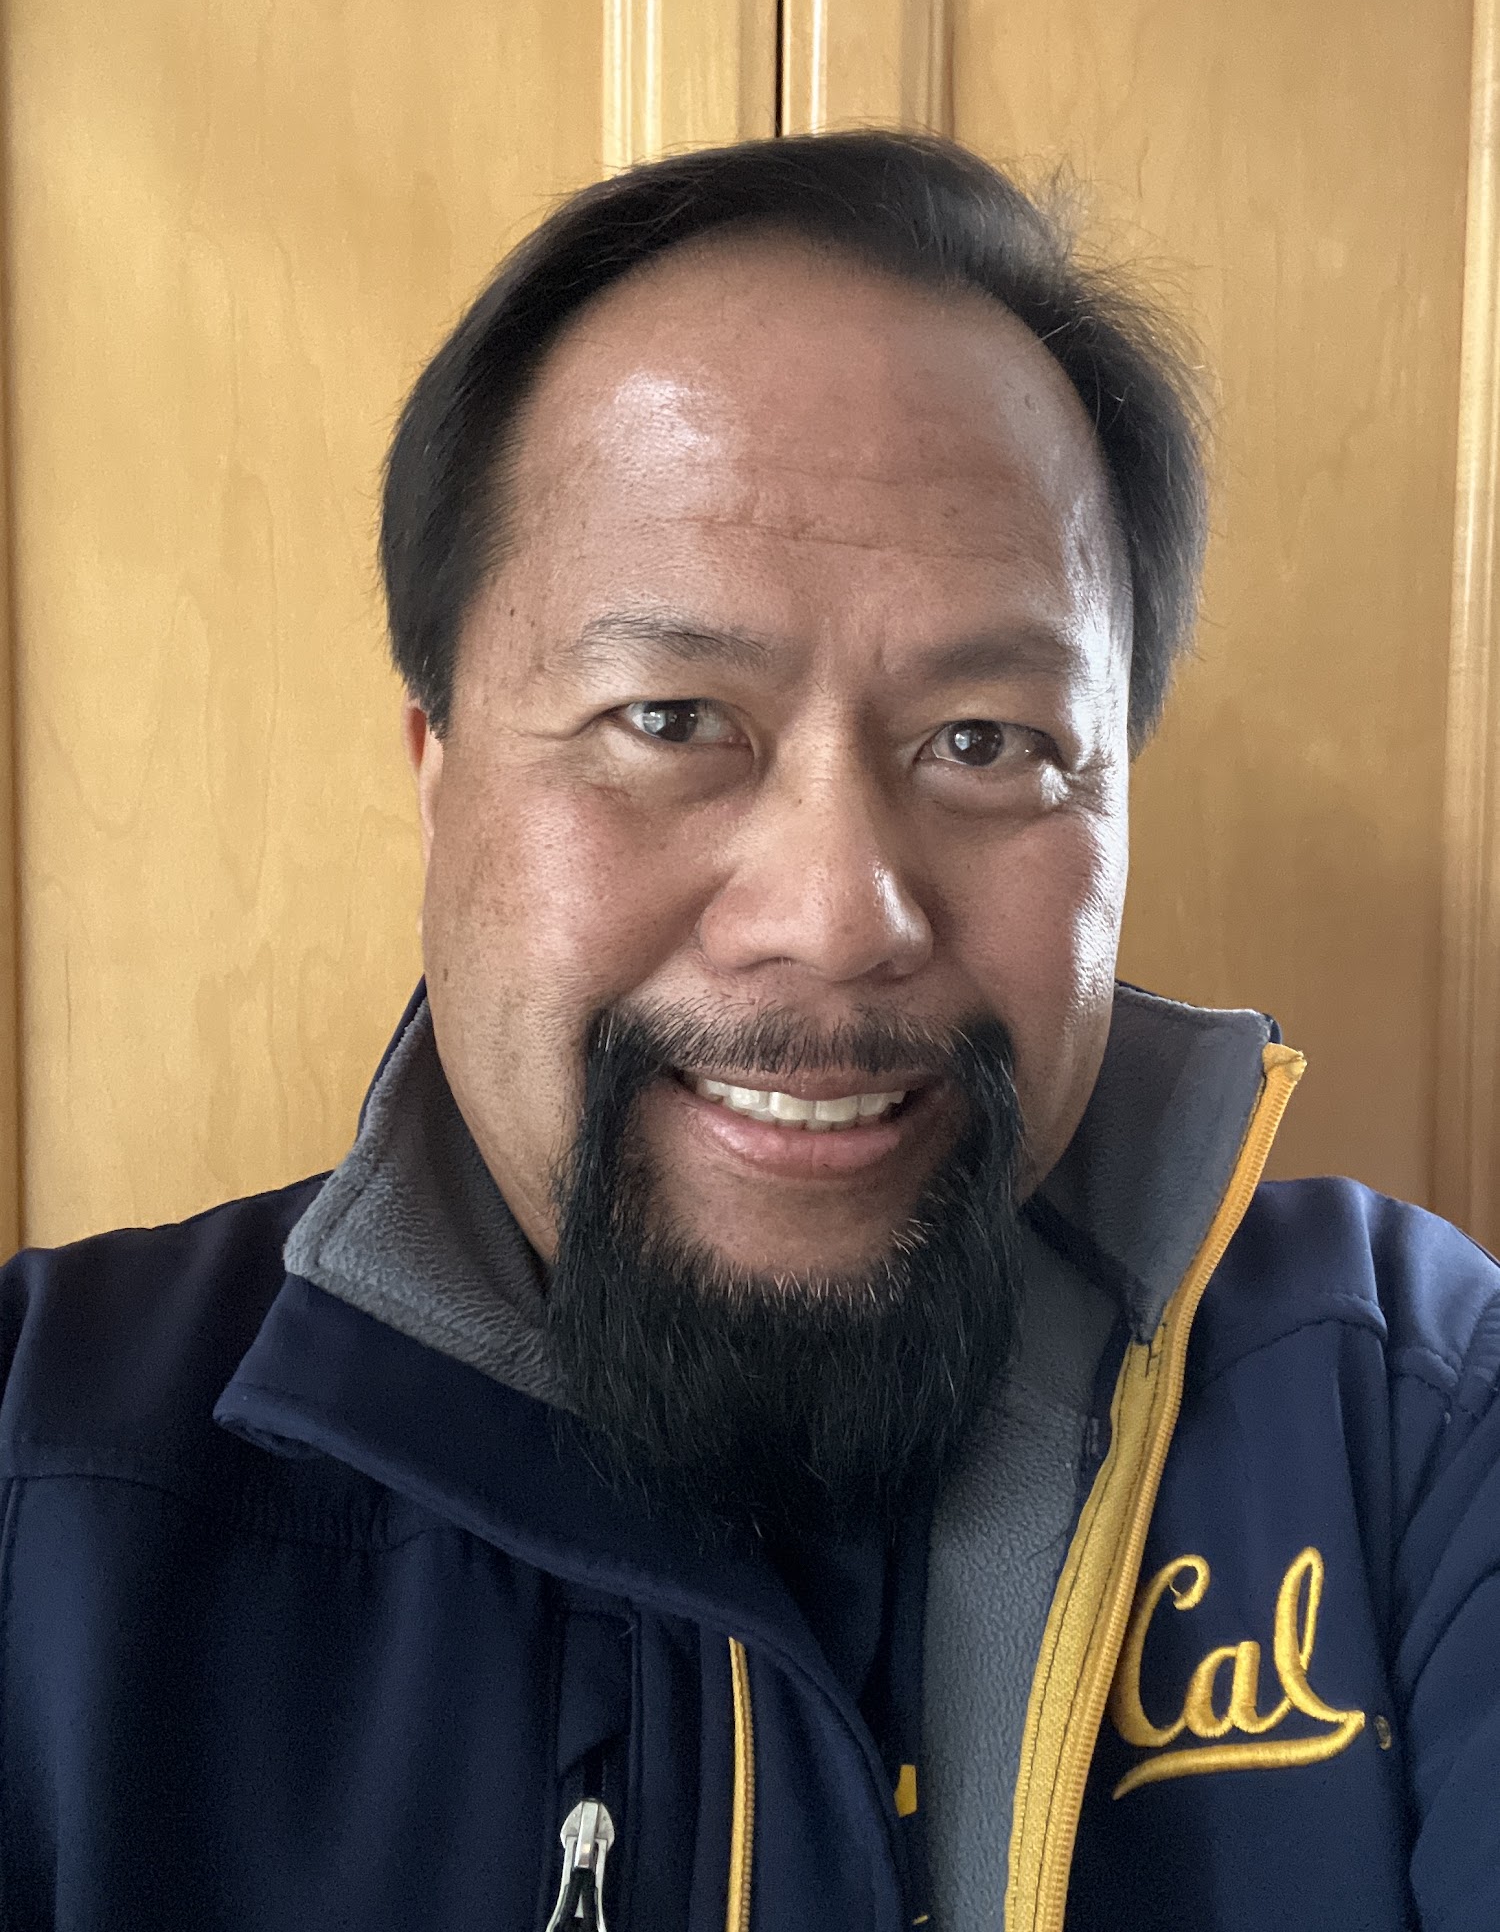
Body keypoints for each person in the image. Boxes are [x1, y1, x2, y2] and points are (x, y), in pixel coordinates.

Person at [0, 131, 1494, 1932]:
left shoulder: (1409, 1417)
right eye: (670, 716)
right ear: (438, 774)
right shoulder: (45, 1467)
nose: (840, 914)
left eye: (985, 743)